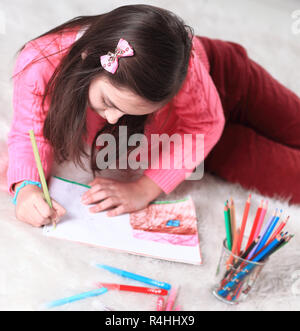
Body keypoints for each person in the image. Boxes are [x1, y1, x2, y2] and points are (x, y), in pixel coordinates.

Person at [7, 4, 300, 228]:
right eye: (109, 102)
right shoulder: (39, 63)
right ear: (87, 58)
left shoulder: (180, 71)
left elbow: (205, 121)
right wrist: (26, 189)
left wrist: (144, 189)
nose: (112, 120)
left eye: (128, 112)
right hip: (205, 142)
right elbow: (27, 133)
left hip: (230, 80)